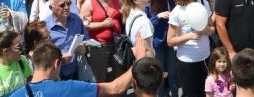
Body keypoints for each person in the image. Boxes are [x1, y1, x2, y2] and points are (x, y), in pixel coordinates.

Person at [9, 35, 152, 97]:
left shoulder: (16, 93)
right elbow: (116, 89)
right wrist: (138, 60)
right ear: (57, 63)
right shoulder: (68, 88)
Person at [167, 0, 215, 97]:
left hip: (206, 57)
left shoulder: (204, 4)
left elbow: (213, 29)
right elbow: (170, 41)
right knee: (191, 94)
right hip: (187, 62)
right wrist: (189, 36)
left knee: (207, 92)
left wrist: (207, 30)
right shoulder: (176, 12)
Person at [80, 0, 124, 81]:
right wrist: (103, 24)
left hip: (117, 42)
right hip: (99, 46)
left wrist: (124, 12)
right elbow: (85, 25)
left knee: (119, 73)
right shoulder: (89, 2)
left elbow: (123, 10)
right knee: (100, 76)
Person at [44, 0, 88, 80]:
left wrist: (83, 48)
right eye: (62, 5)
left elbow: (85, 39)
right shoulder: (45, 27)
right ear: (51, 8)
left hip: (76, 73)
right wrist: (59, 59)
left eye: (68, 3)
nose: (67, 7)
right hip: (55, 76)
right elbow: (41, 55)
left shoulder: (76, 19)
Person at [0, 30, 32, 97]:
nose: (22, 50)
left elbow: (30, 85)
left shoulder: (22, 61)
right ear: (6, 51)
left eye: (22, 45)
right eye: (19, 47)